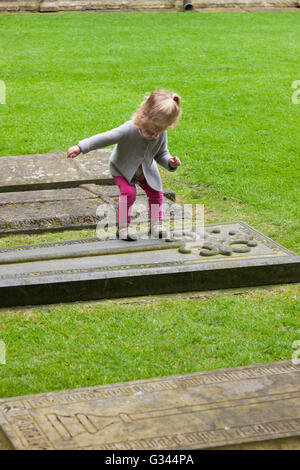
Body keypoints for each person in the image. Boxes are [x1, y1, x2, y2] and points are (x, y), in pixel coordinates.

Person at [67, 89, 182, 241]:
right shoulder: (130, 129)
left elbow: (161, 153)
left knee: (156, 192)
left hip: (146, 169)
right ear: (146, 115)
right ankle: (123, 227)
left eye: (163, 128)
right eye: (156, 127)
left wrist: (170, 162)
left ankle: (156, 224)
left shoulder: (160, 133)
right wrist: (81, 147)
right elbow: (106, 137)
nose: (157, 132)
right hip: (122, 168)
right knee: (129, 193)